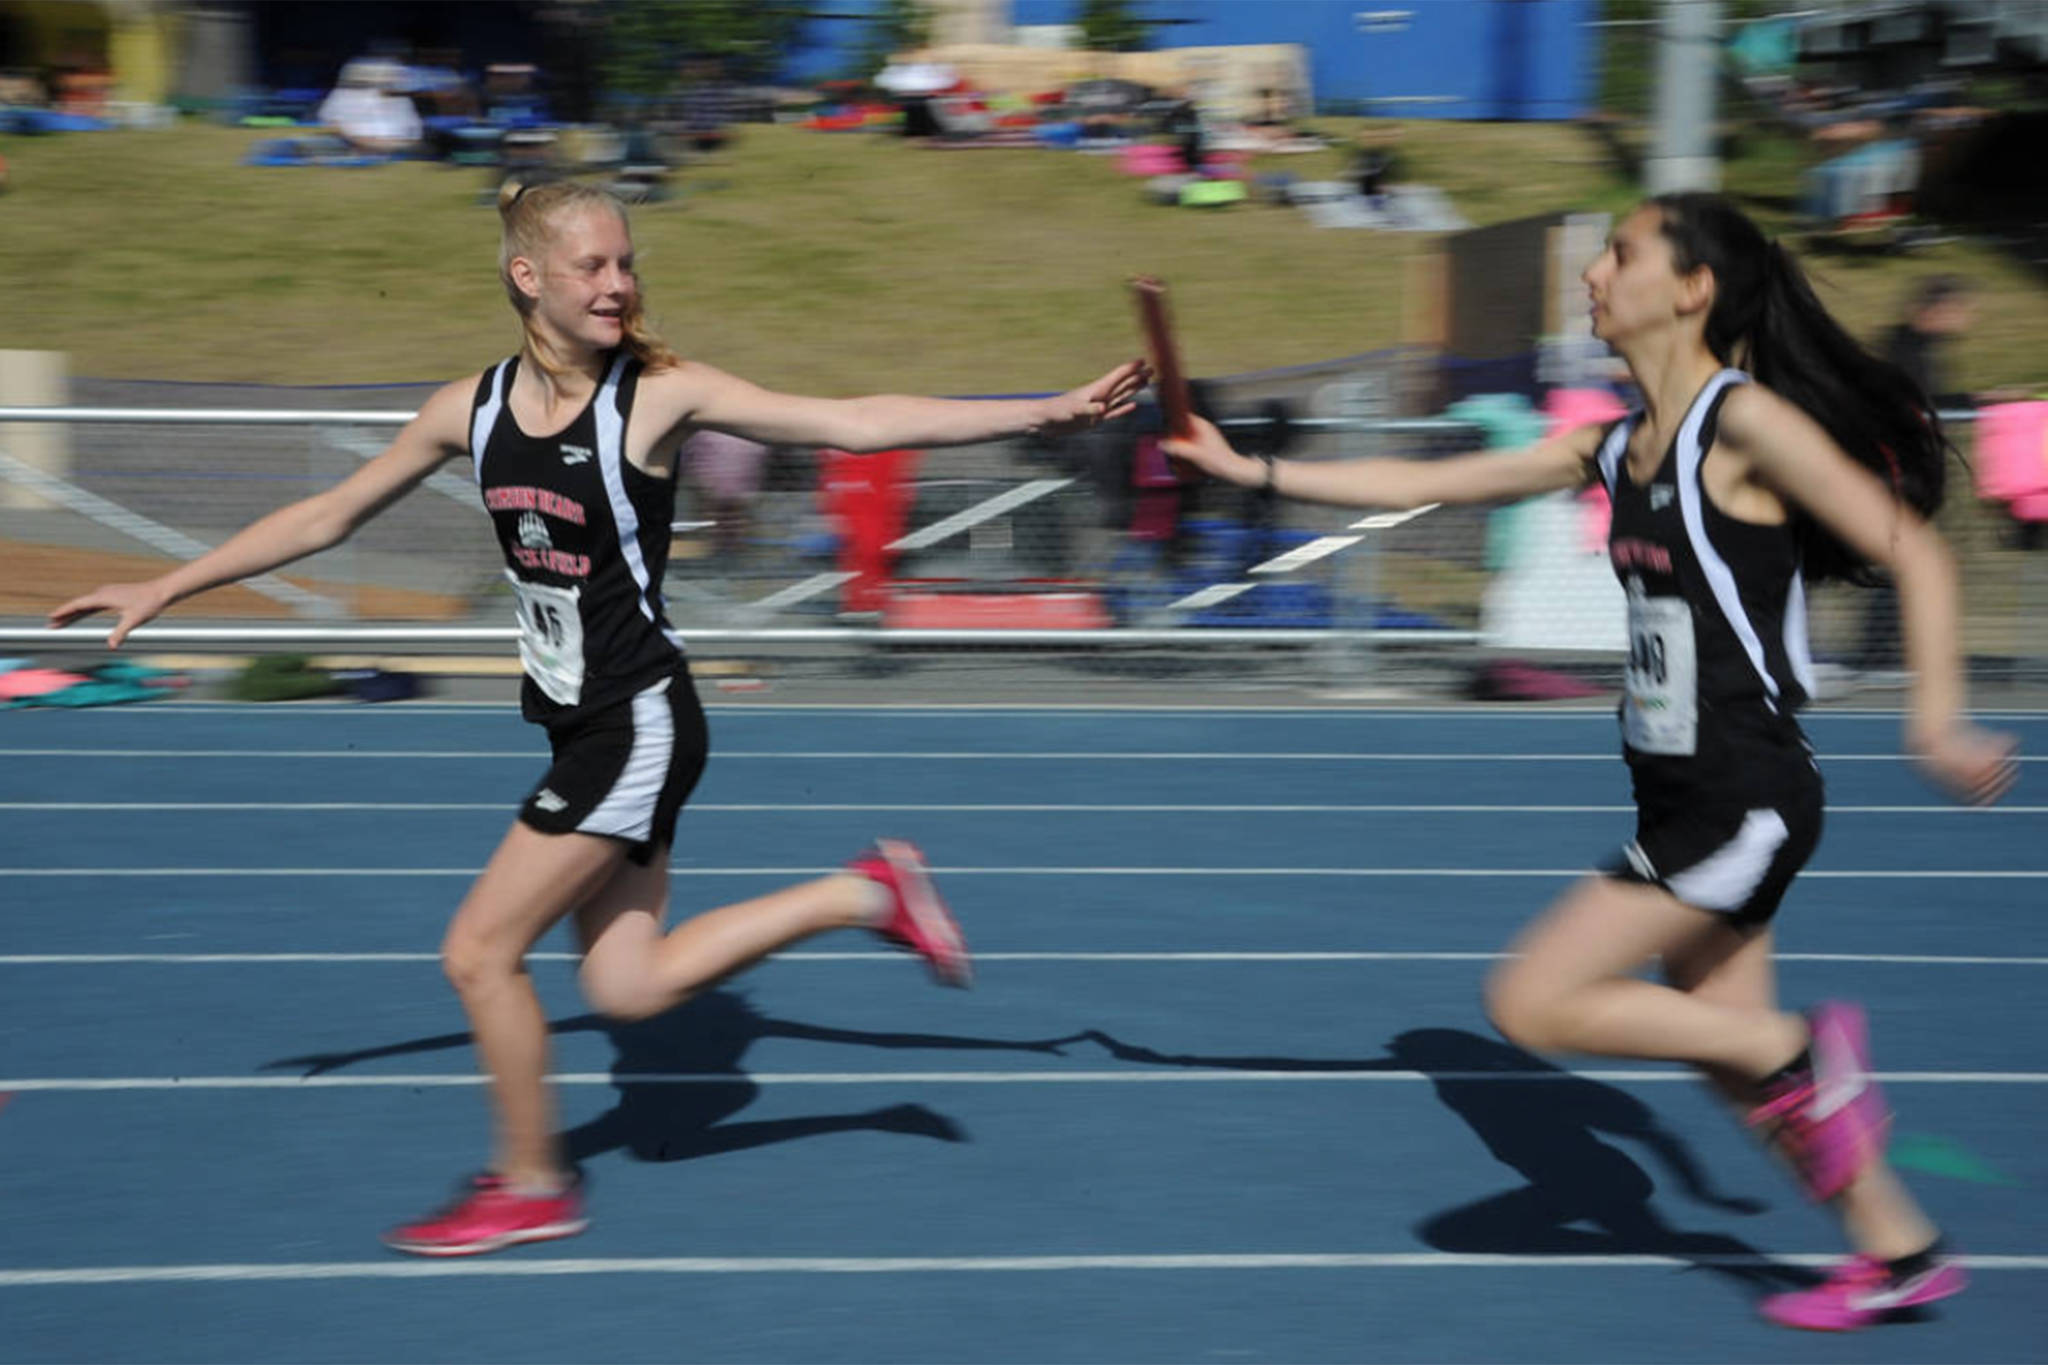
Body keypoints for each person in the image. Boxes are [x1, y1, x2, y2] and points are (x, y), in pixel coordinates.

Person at [50, 178, 1148, 1257]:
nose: (619, 284)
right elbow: (326, 514)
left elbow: (851, 421)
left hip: (637, 722)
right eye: (595, 265)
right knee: (625, 987)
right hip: (584, 727)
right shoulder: (467, 409)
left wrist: (1042, 409)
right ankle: (861, 891)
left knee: (478, 954)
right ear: (528, 278)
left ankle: (531, 1181)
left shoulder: (654, 396)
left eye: (627, 264)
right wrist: (165, 587)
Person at [1160, 191, 2018, 1332]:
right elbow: (1437, 486)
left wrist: (1933, 724)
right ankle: (1897, 1246)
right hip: (1683, 790)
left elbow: (1914, 554)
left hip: (1738, 792)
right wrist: (1253, 473)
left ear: (1691, 287)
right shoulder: (1612, 445)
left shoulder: (1743, 423)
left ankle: (1803, 1049)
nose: (1592, 276)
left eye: (1619, 256)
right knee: (1731, 1066)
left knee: (1531, 1001)